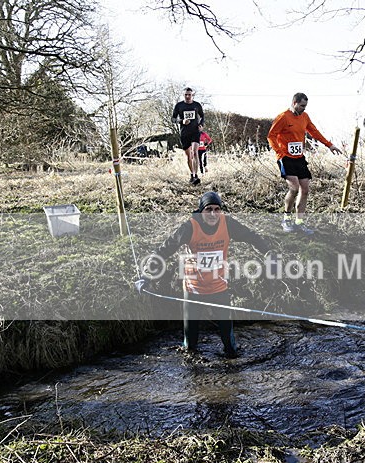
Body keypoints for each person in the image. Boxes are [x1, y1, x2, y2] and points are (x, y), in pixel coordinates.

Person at [146, 191, 272, 358]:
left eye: (217, 209)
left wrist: (268, 251)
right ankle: (193, 374)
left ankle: (231, 365)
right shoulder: (190, 226)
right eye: (208, 209)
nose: (213, 214)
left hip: (218, 287)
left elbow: (251, 237)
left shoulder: (228, 224)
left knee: (229, 340)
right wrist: (147, 275)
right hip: (193, 289)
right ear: (201, 211)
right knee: (190, 343)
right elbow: (167, 248)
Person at [267, 92, 342, 235]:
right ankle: (286, 219)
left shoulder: (305, 117)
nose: (304, 109)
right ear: (294, 102)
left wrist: (329, 145)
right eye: (301, 106)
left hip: (299, 158)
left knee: (305, 189)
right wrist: (279, 153)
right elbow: (270, 135)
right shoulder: (283, 117)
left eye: (305, 106)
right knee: (294, 188)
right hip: (286, 158)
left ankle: (299, 222)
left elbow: (314, 132)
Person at [171, 87, 205, 185]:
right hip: (184, 133)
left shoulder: (197, 105)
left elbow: (202, 116)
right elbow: (173, 119)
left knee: (195, 152)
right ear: (183, 95)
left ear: (192, 95)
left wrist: (201, 124)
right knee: (188, 156)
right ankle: (192, 174)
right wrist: (182, 121)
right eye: (186, 94)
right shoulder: (179, 106)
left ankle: (195, 175)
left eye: (189, 94)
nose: (187, 96)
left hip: (195, 132)